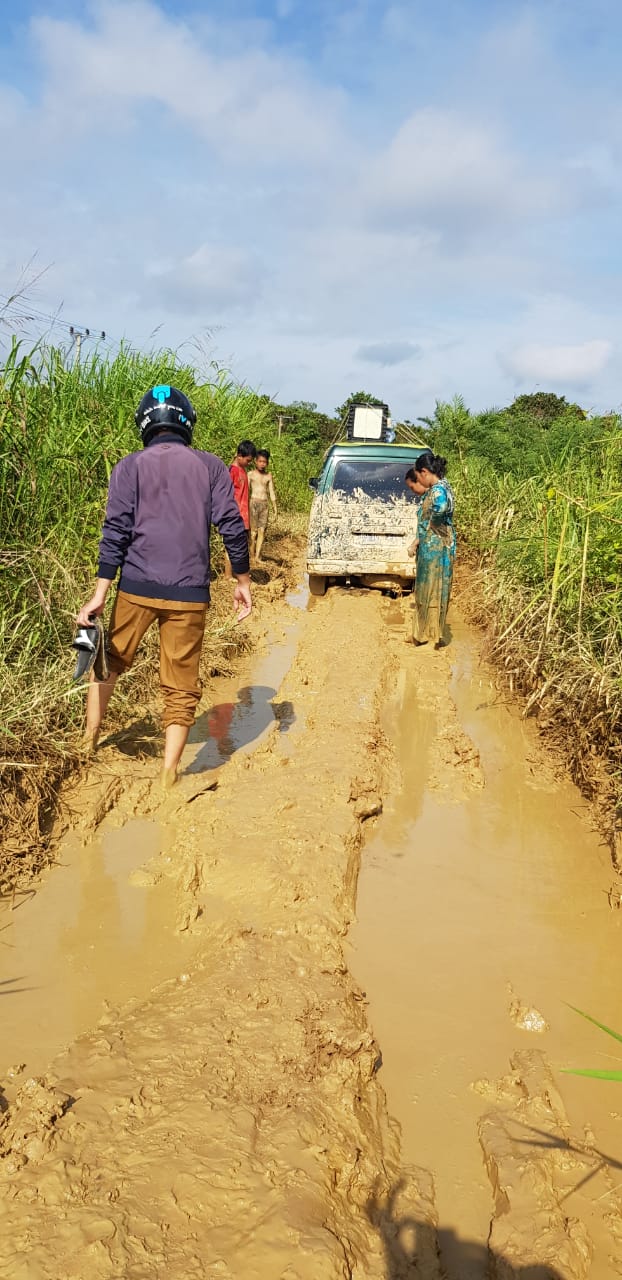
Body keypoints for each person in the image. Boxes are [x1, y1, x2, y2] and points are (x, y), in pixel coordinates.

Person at [76, 385, 252, 788]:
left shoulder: (128, 466)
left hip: (135, 586)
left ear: (145, 424)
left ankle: (88, 741)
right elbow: (232, 527)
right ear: (186, 422)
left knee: (108, 663)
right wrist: (241, 581)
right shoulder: (210, 467)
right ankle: (169, 774)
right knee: (181, 684)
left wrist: (100, 593)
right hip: (189, 595)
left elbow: (115, 533)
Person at [408, 450, 455, 648]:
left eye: (418, 476)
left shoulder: (437, 490)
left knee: (429, 590)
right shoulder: (444, 487)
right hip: (436, 547)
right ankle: (430, 634)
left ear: (424, 472)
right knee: (436, 590)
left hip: (436, 549)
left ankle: (426, 635)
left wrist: (432, 528)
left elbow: (441, 508)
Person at [224, 440, 256, 579]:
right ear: (239, 456)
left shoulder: (243, 471)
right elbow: (226, 494)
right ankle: (227, 575)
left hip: (244, 515)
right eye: (248, 460)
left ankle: (237, 574)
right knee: (231, 546)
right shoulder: (232, 471)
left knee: (241, 547)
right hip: (235, 515)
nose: (249, 463)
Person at [248, 449, 278, 562]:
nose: (262, 464)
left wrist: (275, 509)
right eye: (260, 461)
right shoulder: (250, 474)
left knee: (262, 531)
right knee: (253, 532)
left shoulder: (268, 476)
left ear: (267, 463)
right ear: (256, 461)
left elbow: (272, 493)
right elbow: (245, 492)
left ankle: (257, 557)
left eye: (264, 462)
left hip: (264, 504)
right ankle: (251, 556)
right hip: (253, 503)